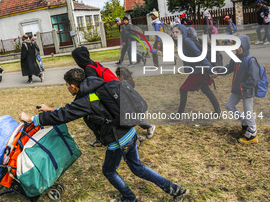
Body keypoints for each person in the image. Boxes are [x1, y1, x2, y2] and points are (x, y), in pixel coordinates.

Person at [19, 68, 189, 202]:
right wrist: (51, 109)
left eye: (67, 85)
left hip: (118, 140)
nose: (67, 88)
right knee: (138, 168)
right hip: (130, 132)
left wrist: (33, 119)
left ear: (72, 85)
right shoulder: (98, 88)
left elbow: (66, 114)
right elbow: (72, 110)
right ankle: (175, 190)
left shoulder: (86, 99)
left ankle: (130, 198)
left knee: (109, 171)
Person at [217, 35, 260, 144]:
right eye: (236, 46)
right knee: (229, 106)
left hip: (246, 91)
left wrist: (243, 86)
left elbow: (254, 79)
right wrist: (217, 72)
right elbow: (229, 68)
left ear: (245, 46)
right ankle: (244, 122)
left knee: (248, 113)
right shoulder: (235, 57)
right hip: (237, 90)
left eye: (240, 46)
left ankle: (253, 134)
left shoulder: (251, 60)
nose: (237, 48)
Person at [172, 24, 221, 114]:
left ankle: (179, 114)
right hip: (198, 70)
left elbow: (199, 55)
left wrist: (210, 69)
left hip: (200, 71)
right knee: (205, 88)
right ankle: (218, 112)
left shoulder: (186, 41)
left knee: (183, 90)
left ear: (182, 32)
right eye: (173, 32)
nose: (174, 34)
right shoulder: (181, 42)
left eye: (177, 32)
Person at [115, 66, 155, 139]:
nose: (116, 77)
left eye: (117, 76)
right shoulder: (127, 81)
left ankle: (150, 127)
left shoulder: (125, 84)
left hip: (133, 105)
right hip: (133, 105)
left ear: (122, 76)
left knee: (134, 118)